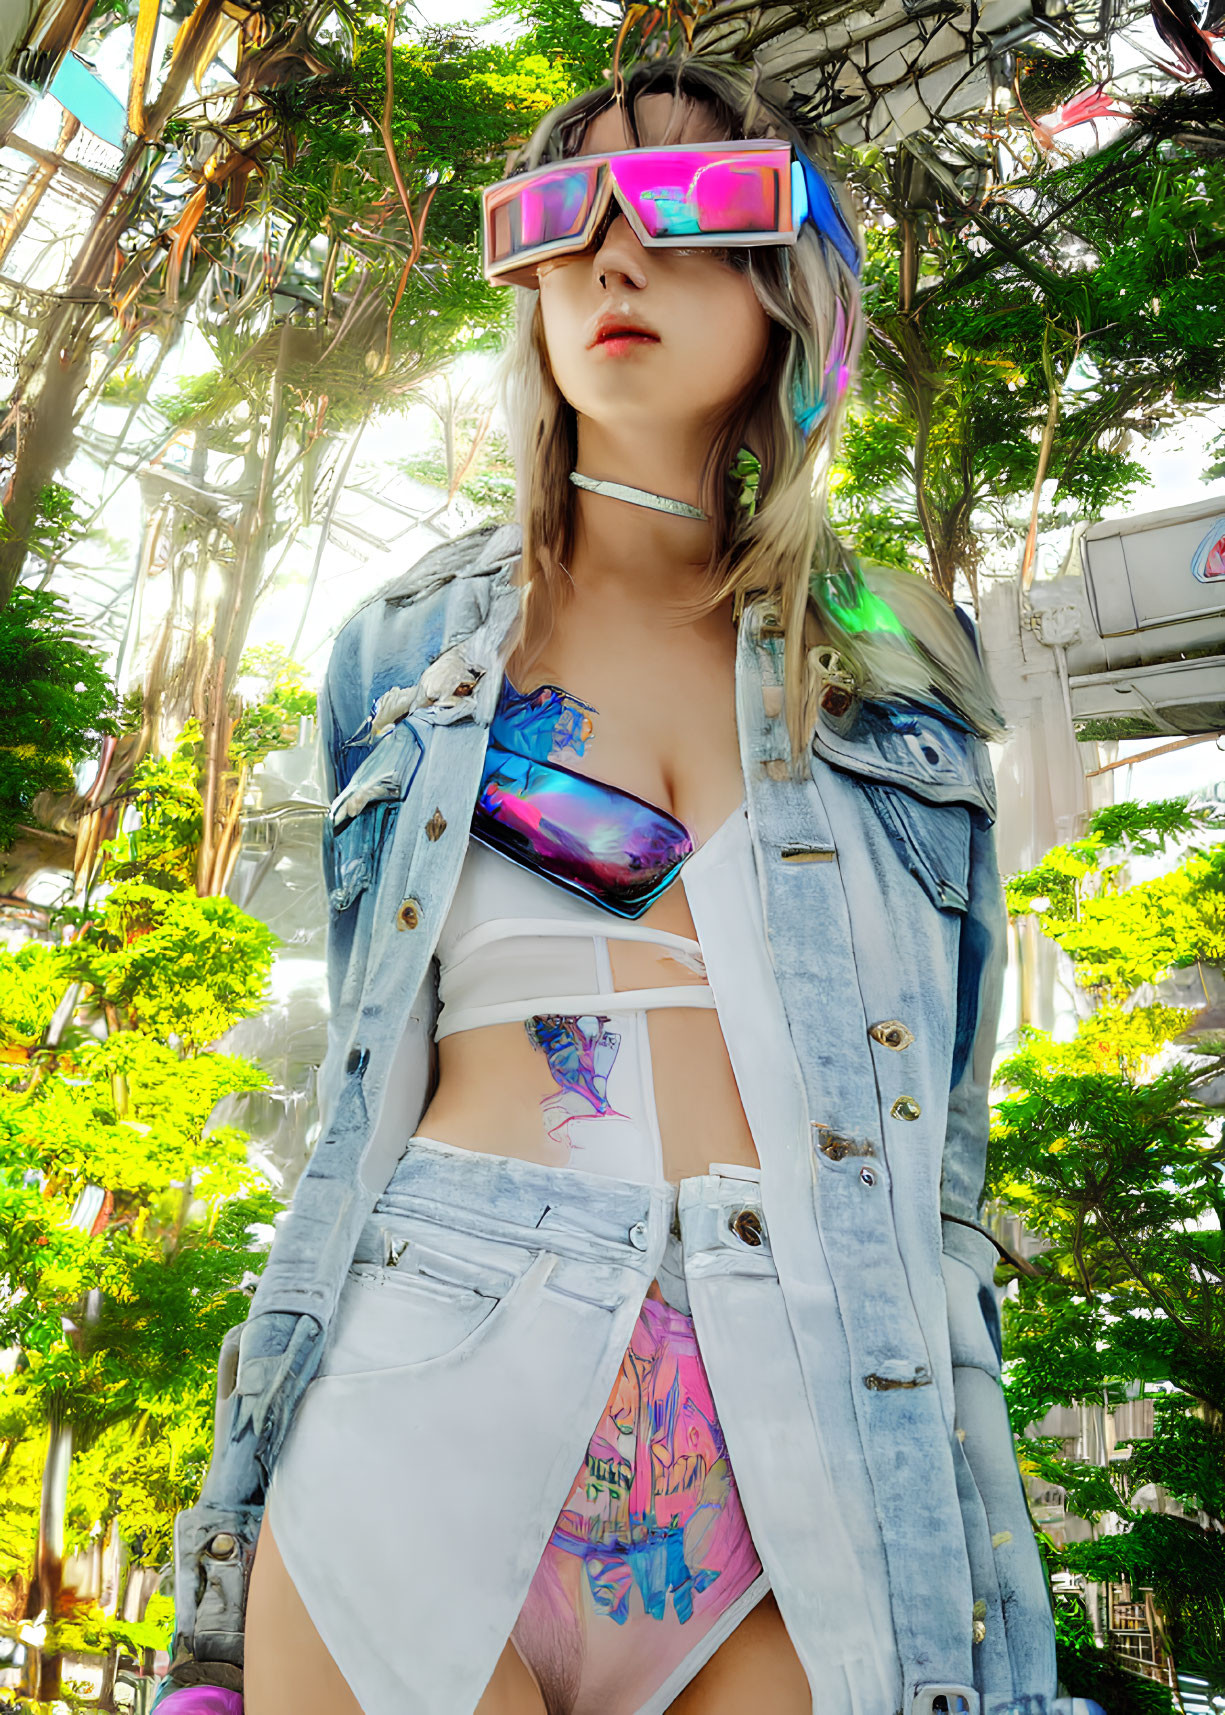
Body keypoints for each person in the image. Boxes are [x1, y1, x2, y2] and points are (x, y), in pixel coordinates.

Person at [161, 55, 1065, 1715]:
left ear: (795, 280)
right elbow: (372, 1048)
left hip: (808, 1405)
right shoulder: (403, 644)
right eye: (557, 217)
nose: (610, 256)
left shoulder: (899, 662)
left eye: (686, 204)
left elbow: (943, 1110)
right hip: (430, 1363)